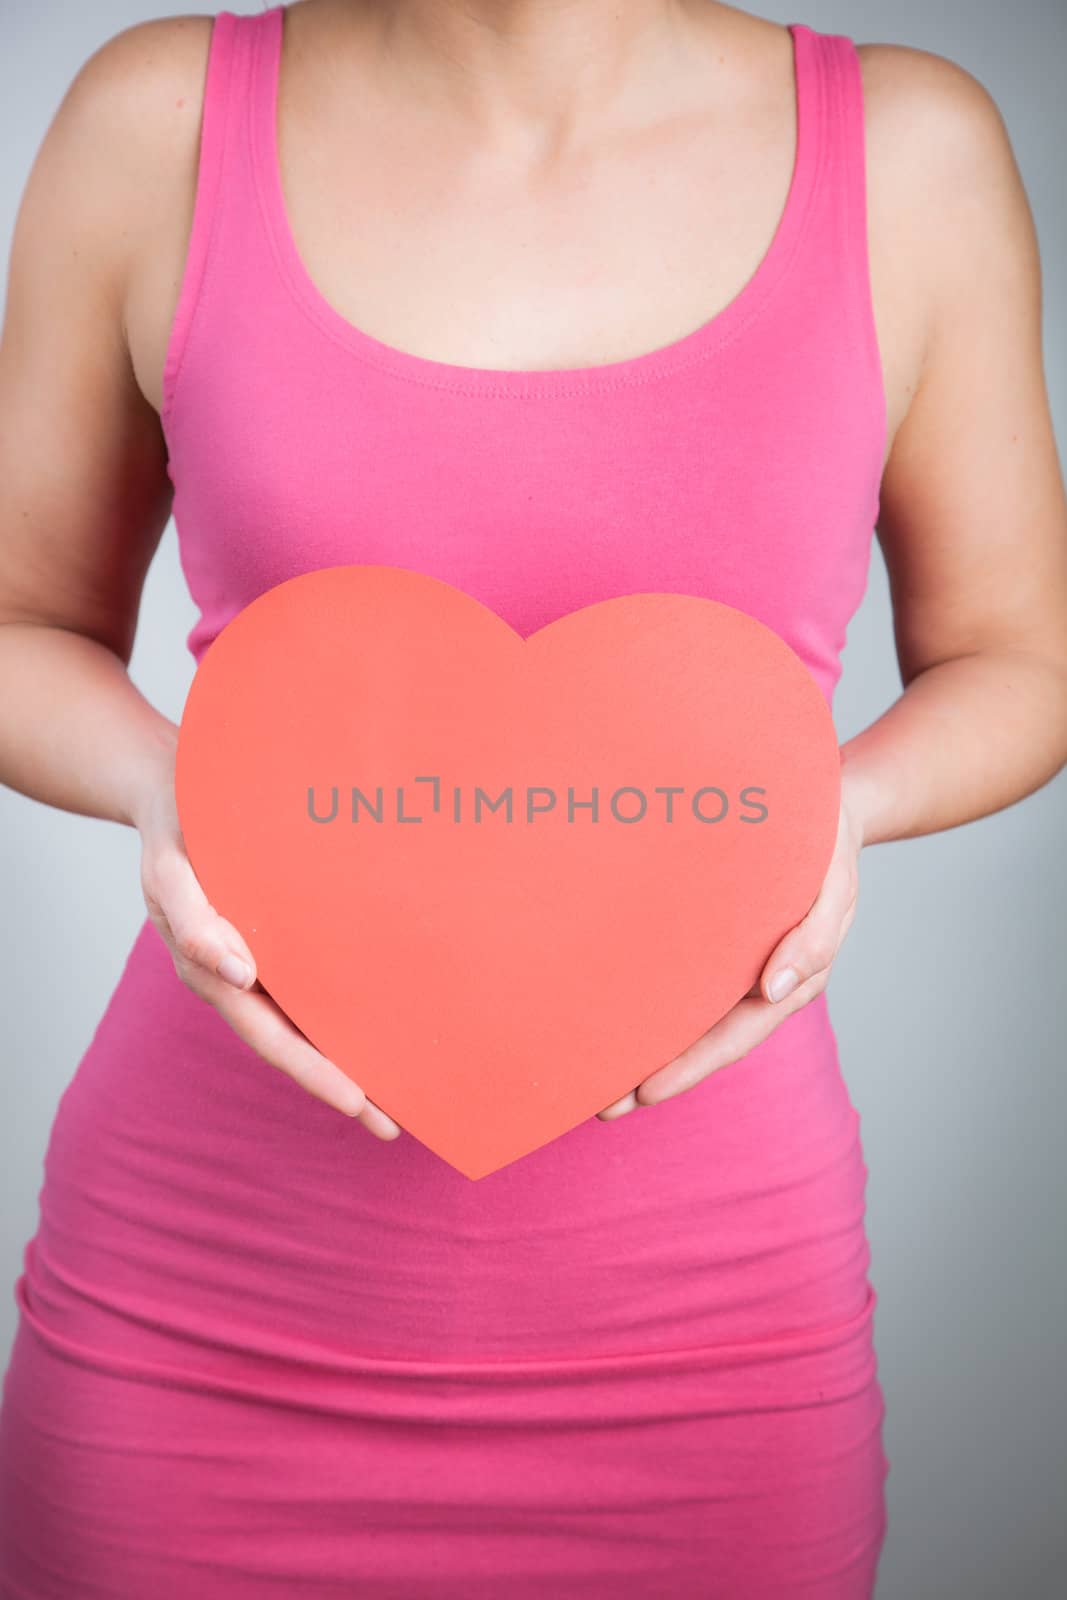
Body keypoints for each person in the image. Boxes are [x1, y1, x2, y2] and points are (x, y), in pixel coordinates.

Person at [1, 0, 1065, 1593]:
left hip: (710, 1343)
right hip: (197, 1318)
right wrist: (178, 787)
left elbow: (1018, 660)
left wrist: (832, 807)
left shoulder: (909, 148)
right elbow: (19, 623)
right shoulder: (163, 118)